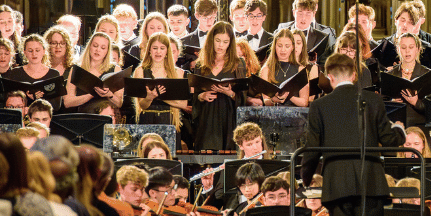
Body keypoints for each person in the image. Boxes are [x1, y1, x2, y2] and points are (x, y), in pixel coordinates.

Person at [300, 52, 406, 216]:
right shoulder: (372, 100)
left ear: (330, 77)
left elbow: (312, 147)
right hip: (371, 182)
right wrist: (399, 131)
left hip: (337, 184)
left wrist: (305, 178)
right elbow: (389, 140)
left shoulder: (320, 106)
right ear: (356, 75)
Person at [191, 22, 246, 151]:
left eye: (225, 42)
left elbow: (243, 98)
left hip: (228, 117)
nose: (221, 45)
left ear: (230, 43)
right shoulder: (201, 64)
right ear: (211, 40)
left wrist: (230, 94)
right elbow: (195, 97)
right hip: (207, 117)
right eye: (218, 40)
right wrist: (201, 96)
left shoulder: (238, 64)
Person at [132, 31, 188, 127]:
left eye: (162, 48)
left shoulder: (178, 72)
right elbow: (142, 105)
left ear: (167, 51)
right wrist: (149, 98)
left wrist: (158, 96)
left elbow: (183, 104)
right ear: (149, 50)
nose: (158, 52)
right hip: (147, 120)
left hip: (169, 120)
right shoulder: (140, 71)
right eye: (155, 48)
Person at [63, 31, 124, 114]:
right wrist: (91, 95)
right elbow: (67, 102)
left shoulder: (115, 69)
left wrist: (109, 95)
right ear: (89, 47)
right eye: (95, 46)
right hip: (84, 116)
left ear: (107, 51)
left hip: (106, 117)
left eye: (103, 48)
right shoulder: (76, 69)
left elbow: (119, 103)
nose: (98, 50)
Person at [4, 34, 66, 107]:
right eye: (30, 51)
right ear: (25, 52)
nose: (34, 54)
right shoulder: (15, 73)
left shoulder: (54, 74)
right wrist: (27, 98)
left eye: (37, 50)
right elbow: (8, 102)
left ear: (43, 51)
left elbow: (56, 105)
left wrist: (40, 98)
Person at [258, 28, 310, 106]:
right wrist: (274, 100)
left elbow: (304, 102)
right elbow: (265, 101)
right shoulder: (266, 69)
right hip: (272, 115)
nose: (283, 50)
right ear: (274, 46)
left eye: (287, 46)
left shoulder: (300, 69)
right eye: (280, 46)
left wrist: (288, 96)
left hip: (296, 115)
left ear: (292, 47)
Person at [385, 32, 429, 124]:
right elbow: (380, 105)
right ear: (398, 49)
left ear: (418, 49)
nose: (407, 51)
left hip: (419, 125)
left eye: (411, 47)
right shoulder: (390, 74)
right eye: (403, 47)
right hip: (395, 125)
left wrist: (416, 103)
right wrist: (392, 103)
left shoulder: (427, 74)